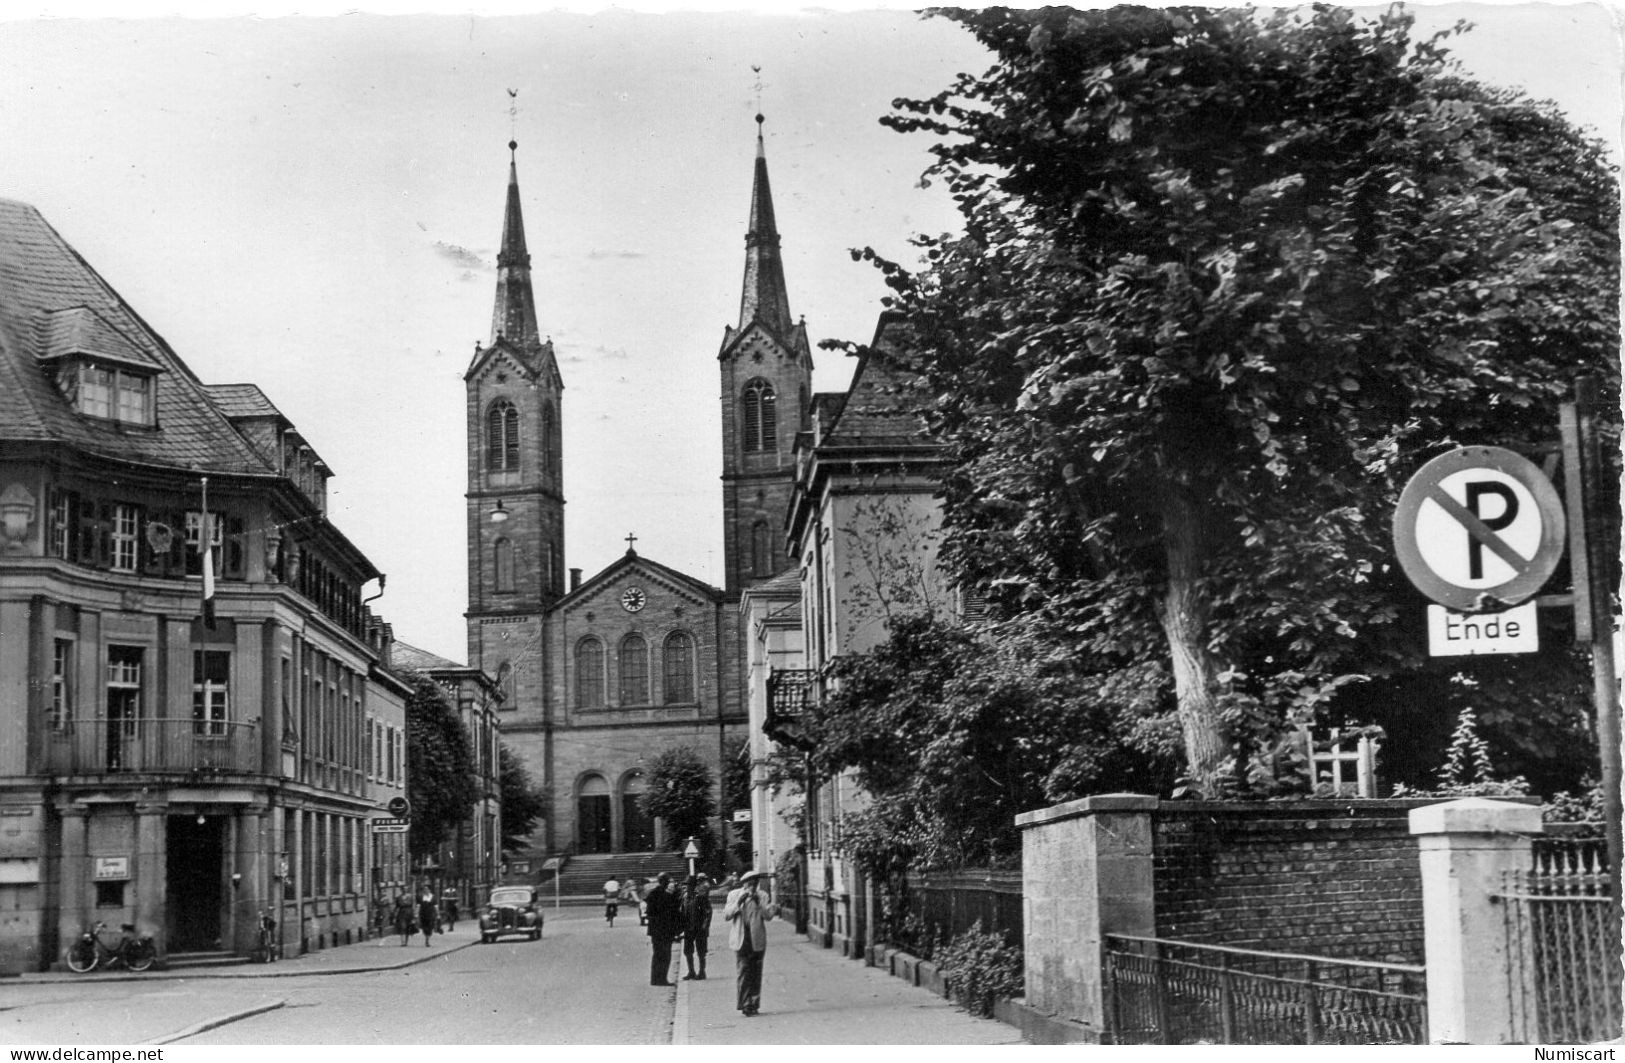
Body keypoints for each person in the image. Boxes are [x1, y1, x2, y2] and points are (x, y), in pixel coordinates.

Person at [723, 869, 771, 1016]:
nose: (753, 886)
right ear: (744, 884)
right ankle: (745, 1004)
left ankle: (754, 1003)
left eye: (755, 883)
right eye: (750, 884)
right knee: (743, 971)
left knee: (756, 972)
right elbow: (727, 915)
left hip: (757, 938)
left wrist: (760, 904)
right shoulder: (734, 895)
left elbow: (768, 916)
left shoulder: (762, 895)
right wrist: (739, 902)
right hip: (741, 939)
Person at [644, 872, 680, 985]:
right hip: (664, 929)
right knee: (664, 955)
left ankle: (655, 979)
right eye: (668, 881)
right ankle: (661, 979)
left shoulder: (653, 893)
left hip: (656, 930)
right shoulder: (664, 895)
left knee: (658, 954)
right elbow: (671, 910)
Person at [681, 874, 713, 980]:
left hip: (699, 928)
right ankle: (691, 971)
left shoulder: (701, 897)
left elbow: (708, 912)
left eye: (689, 885)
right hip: (688, 928)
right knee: (687, 951)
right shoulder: (685, 897)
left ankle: (702, 971)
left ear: (694, 885)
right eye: (686, 885)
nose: (687, 887)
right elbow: (682, 911)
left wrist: (705, 926)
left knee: (701, 951)